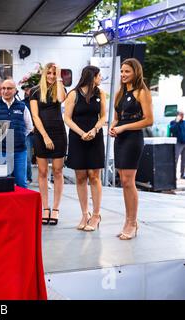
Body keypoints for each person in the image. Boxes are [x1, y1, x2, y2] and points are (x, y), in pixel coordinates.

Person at [109, 58, 153, 240]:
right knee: (124, 181)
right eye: (121, 71)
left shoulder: (142, 92)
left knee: (129, 181)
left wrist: (123, 127)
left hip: (133, 138)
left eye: (127, 71)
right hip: (120, 138)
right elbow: (117, 118)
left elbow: (148, 120)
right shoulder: (120, 92)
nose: (123, 74)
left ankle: (132, 222)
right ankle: (128, 221)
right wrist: (113, 126)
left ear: (136, 72)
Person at [64, 66, 106, 232]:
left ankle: (96, 215)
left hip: (95, 136)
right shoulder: (73, 94)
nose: (101, 78)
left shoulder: (100, 93)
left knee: (94, 176)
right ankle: (84, 214)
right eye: (99, 75)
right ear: (92, 76)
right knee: (80, 176)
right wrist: (82, 133)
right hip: (77, 137)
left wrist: (94, 130)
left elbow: (103, 116)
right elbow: (67, 118)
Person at [30, 63, 66, 225]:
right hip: (41, 134)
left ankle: (56, 208)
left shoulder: (59, 87)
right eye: (49, 73)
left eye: (54, 73)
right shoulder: (35, 91)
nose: (51, 76)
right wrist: (44, 136)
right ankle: (45, 207)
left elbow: (61, 99)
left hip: (58, 133)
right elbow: (35, 117)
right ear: (44, 74)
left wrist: (59, 78)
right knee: (43, 172)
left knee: (58, 171)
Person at [0, 79, 33, 188]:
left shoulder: (22, 107)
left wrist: (18, 137)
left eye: (9, 88)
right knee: (2, 183)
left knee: (21, 183)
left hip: (20, 151)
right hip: (1, 151)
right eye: (3, 88)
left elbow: (29, 127)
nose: (5, 91)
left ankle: (23, 205)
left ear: (15, 90)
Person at [21, 83, 35, 183]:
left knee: (43, 157)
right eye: (26, 89)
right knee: (28, 157)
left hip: (40, 132)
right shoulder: (22, 103)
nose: (27, 91)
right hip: (28, 133)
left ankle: (48, 178)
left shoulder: (40, 102)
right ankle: (28, 177)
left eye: (29, 89)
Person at [169, 110, 185, 179]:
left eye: (182, 115)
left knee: (184, 160)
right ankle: (173, 175)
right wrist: (177, 122)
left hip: (184, 143)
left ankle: (182, 174)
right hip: (178, 143)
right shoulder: (173, 122)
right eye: (180, 114)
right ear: (177, 115)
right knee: (176, 159)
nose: (182, 116)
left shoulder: (184, 123)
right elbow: (172, 130)